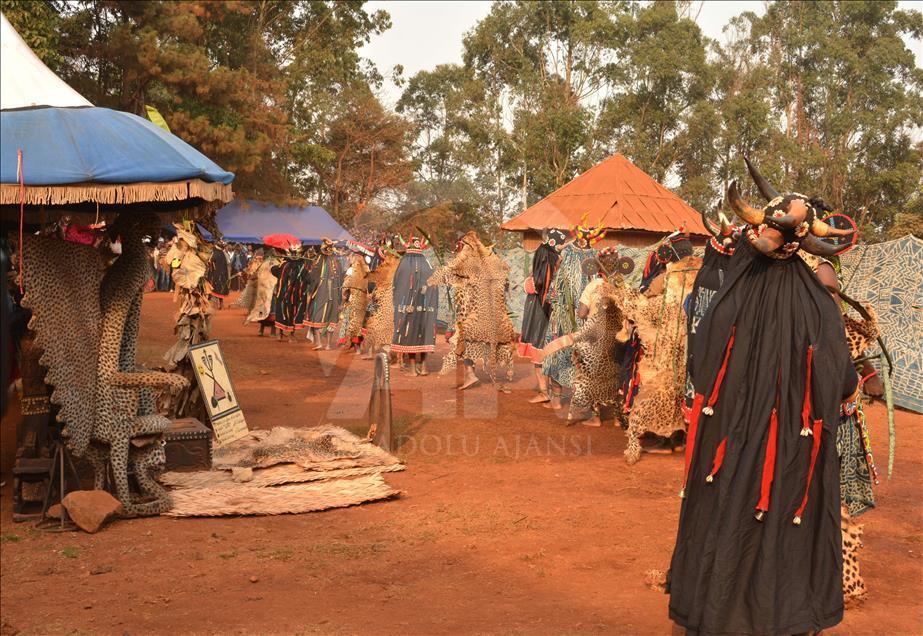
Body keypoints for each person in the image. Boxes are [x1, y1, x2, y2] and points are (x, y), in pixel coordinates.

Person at [667, 161, 856, 635]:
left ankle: (716, 612)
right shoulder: (818, 300)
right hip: (791, 455)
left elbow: (700, 365)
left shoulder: (734, 293)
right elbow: (844, 382)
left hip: (729, 448)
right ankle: (783, 615)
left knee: (725, 516)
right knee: (782, 526)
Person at [541, 219, 604, 411]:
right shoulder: (595, 256)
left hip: (564, 314)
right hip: (587, 315)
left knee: (557, 351)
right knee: (584, 357)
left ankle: (557, 399)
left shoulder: (565, 253)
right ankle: (585, 404)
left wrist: (551, 300)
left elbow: (556, 284)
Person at [518, 229, 564, 402]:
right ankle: (556, 395)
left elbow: (530, 286)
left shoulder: (540, 278)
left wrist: (529, 279)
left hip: (539, 316)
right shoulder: (560, 274)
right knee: (553, 355)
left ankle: (544, 392)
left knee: (539, 356)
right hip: (555, 318)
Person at [391, 234, 439, 375]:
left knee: (409, 334)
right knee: (424, 333)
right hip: (427, 309)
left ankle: (412, 369)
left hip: (409, 308)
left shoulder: (404, 264)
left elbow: (397, 286)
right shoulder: (427, 265)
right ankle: (423, 367)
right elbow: (434, 288)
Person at [272, 243, 319, 341]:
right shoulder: (284, 264)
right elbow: (274, 271)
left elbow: (309, 279)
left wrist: (314, 274)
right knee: (282, 312)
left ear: (299, 253)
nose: (294, 255)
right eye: (292, 253)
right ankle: (279, 333)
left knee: (295, 314)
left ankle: (291, 334)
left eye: (296, 253)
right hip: (284, 295)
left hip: (297, 296)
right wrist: (278, 266)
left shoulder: (303, 267)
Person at [305, 238, 341, 350]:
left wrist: (310, 290)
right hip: (332, 292)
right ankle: (327, 345)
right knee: (329, 316)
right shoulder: (333, 260)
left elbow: (313, 278)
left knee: (318, 315)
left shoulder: (322, 260)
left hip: (323, 291)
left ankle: (321, 343)